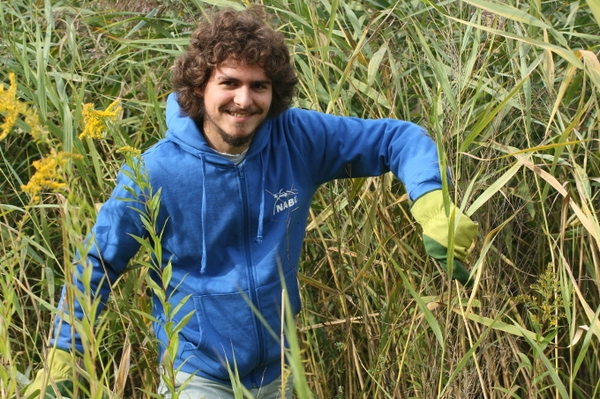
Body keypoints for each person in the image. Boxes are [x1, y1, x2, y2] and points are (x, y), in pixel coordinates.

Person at [25, 7, 478, 399]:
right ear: (200, 85)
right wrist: (65, 356)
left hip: (281, 369)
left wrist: (431, 202)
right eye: (229, 82)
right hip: (196, 375)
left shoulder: (298, 138)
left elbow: (397, 138)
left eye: (259, 86)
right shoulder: (155, 172)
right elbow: (98, 261)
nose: (244, 100)